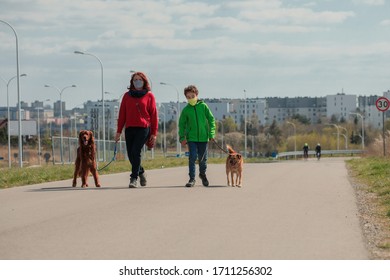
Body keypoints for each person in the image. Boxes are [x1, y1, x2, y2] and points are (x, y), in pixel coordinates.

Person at [115, 72, 158, 188]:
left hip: (144, 128)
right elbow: (122, 114)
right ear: (132, 82)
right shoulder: (126, 96)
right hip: (129, 128)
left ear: (144, 81)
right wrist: (118, 131)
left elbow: (154, 116)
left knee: (135, 151)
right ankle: (141, 172)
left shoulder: (149, 96)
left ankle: (133, 178)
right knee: (130, 154)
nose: (137, 81)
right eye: (135, 80)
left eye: (139, 79)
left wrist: (154, 133)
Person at [179, 85, 216, 187]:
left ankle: (202, 174)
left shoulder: (203, 106)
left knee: (203, 159)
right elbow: (181, 124)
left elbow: (211, 119)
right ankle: (192, 179)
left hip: (204, 138)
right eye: (188, 97)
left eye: (192, 96)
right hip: (192, 138)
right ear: (186, 98)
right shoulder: (186, 110)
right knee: (193, 157)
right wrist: (182, 137)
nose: (191, 98)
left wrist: (211, 134)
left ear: (197, 95)